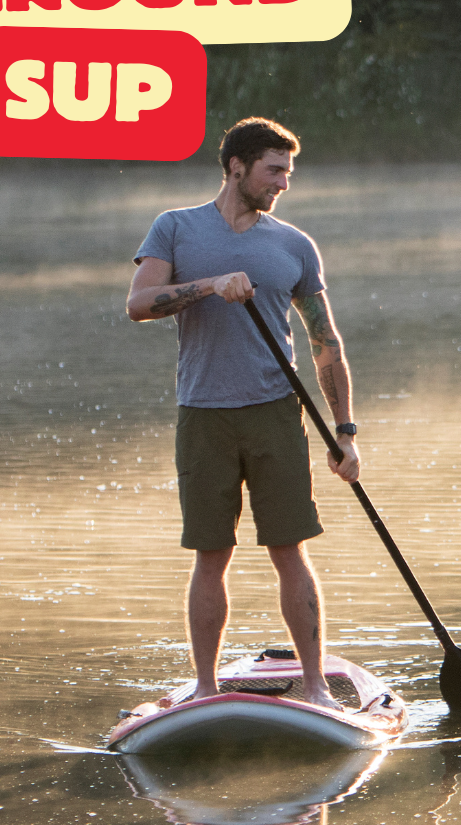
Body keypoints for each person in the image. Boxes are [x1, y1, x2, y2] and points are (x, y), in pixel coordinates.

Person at [125, 117, 362, 708]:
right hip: (204, 415)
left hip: (275, 414)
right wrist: (209, 286)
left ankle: (315, 688)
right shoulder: (175, 228)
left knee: (290, 549)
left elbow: (325, 342)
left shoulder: (293, 245)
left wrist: (345, 432)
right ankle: (205, 690)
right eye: (273, 170)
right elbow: (138, 304)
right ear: (236, 166)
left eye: (288, 171)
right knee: (212, 554)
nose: (283, 182)